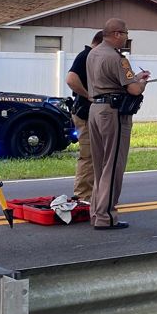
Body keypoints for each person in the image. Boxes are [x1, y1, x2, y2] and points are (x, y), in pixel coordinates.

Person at [86, 18, 150, 230]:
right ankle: (107, 216)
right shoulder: (118, 59)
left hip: (94, 109)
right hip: (113, 113)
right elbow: (133, 89)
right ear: (116, 34)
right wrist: (142, 81)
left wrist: (134, 78)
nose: (126, 38)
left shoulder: (92, 54)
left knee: (99, 165)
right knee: (113, 165)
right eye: (125, 34)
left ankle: (95, 212)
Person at [65, 30, 105, 203]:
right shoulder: (86, 56)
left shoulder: (95, 58)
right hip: (84, 113)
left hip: (95, 115)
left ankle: (94, 194)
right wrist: (88, 95)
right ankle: (83, 196)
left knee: (98, 155)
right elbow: (71, 79)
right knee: (88, 155)